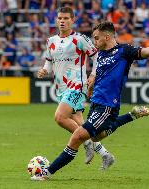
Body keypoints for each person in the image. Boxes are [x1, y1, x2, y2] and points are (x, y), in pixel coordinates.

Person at [32, 21, 149, 181]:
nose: (94, 42)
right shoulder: (101, 54)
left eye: (96, 38)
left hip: (107, 106)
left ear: (107, 37)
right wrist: (90, 87)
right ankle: (132, 115)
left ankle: (47, 173)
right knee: (96, 137)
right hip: (96, 104)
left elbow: (147, 51)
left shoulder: (124, 51)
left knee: (77, 137)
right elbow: (100, 76)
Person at [37, 7, 112, 170]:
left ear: (73, 20)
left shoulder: (80, 39)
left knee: (60, 117)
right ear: (56, 20)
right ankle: (105, 154)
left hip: (77, 84)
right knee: (80, 122)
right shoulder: (51, 41)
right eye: (60, 18)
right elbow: (49, 62)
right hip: (61, 88)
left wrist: (92, 75)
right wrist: (44, 70)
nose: (62, 21)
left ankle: (85, 143)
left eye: (66, 18)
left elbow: (96, 56)